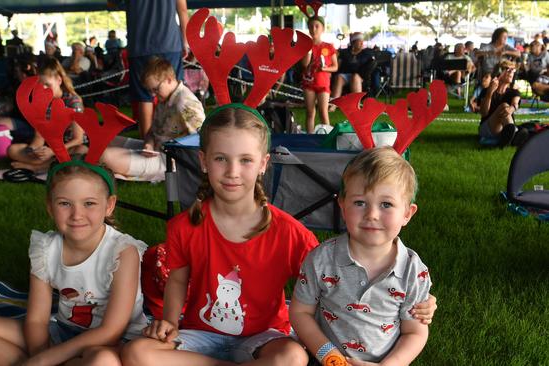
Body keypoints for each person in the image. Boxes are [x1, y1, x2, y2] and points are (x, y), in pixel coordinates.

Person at [120, 106, 437, 366]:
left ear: (262, 164)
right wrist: (171, 322)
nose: (232, 171)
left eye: (245, 160)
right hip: (198, 337)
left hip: (265, 339)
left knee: (292, 357)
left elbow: (331, 284)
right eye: (221, 159)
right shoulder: (183, 226)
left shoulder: (289, 233)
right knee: (136, 354)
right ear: (203, 161)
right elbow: (177, 278)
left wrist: (420, 300)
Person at [0, 158, 149, 365]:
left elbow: (111, 330)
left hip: (112, 344)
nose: (77, 215)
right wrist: (39, 354)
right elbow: (37, 320)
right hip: (63, 332)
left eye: (89, 203)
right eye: (65, 203)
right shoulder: (45, 248)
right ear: (50, 206)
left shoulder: (123, 252)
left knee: (103, 361)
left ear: (109, 205)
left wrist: (48, 359)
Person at [290, 146, 430, 366]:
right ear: (342, 205)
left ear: (407, 213)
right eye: (359, 203)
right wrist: (331, 358)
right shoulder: (320, 260)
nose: (371, 215)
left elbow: (415, 332)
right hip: (326, 360)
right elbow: (300, 312)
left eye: (386, 204)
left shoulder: (414, 271)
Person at [100, 57, 204, 181]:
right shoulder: (165, 98)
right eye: (150, 91)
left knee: (105, 156)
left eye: (155, 89)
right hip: (154, 150)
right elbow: (152, 131)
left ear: (169, 80)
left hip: (170, 161)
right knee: (108, 140)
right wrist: (148, 144)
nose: (152, 95)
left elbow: (202, 138)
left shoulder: (185, 103)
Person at [6, 57, 86, 172]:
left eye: (47, 85)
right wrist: (33, 150)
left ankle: (38, 167)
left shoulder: (73, 102)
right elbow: (39, 136)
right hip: (50, 149)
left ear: (59, 80)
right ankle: (49, 165)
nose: (43, 89)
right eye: (40, 85)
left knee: (81, 151)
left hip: (69, 147)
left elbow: (78, 139)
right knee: (12, 150)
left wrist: (53, 151)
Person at [125, 0, 188, 139]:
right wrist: (185, 40)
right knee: (174, 91)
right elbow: (182, 10)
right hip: (169, 42)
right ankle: (177, 142)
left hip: (139, 43)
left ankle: (147, 145)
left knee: (144, 96)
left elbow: (111, 4)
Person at [300, 15, 338, 133]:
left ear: (323, 29)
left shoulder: (328, 46)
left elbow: (335, 67)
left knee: (323, 111)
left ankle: (327, 137)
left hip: (323, 83)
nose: (314, 29)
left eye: (317, 26)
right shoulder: (306, 46)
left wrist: (325, 69)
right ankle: (310, 137)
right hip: (309, 83)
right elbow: (305, 64)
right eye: (311, 26)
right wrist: (308, 49)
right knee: (310, 112)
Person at [479, 60, 526, 147]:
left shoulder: (514, 92)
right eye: (508, 69)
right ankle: (514, 134)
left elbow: (515, 104)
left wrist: (511, 109)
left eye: (513, 70)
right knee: (504, 106)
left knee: (506, 107)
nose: (512, 72)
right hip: (487, 128)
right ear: (499, 73)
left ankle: (509, 136)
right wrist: (489, 93)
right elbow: (483, 113)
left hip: (504, 127)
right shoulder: (487, 90)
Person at [330, 32, 373, 112]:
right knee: (339, 77)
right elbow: (337, 66)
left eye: (362, 41)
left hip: (360, 77)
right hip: (345, 75)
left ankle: (356, 105)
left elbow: (370, 67)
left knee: (355, 76)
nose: (362, 43)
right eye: (359, 41)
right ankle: (333, 105)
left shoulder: (366, 53)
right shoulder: (345, 52)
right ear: (353, 42)